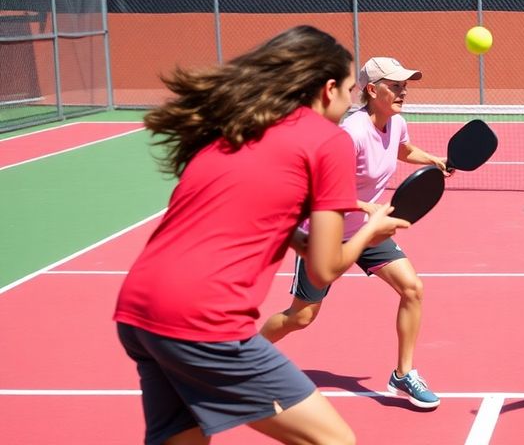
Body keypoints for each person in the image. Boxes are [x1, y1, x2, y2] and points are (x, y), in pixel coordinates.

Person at [113, 25, 410, 445]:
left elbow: (244, 209)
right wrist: (371, 230)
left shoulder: (237, 130)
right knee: (334, 441)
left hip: (138, 311)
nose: (349, 101)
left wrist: (297, 238)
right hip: (201, 317)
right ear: (328, 90)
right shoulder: (329, 141)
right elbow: (325, 271)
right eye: (347, 90)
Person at [260, 56, 448, 409]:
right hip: (325, 232)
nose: (403, 91)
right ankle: (245, 358)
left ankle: (403, 374)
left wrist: (434, 159)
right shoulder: (351, 133)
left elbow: (404, 150)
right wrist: (366, 208)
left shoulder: (397, 123)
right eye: (395, 85)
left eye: (404, 85)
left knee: (412, 288)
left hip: (366, 230)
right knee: (301, 316)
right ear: (372, 90)